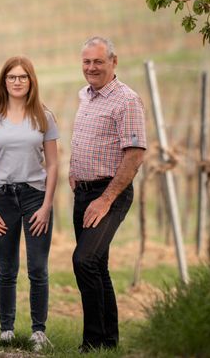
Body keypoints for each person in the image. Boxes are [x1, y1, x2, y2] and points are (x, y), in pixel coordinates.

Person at [69, 36, 146, 352]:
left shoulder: (126, 100)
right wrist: (75, 170)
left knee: (84, 260)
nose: (91, 67)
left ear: (114, 62)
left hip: (110, 193)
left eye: (98, 61)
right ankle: (108, 343)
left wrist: (105, 199)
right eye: (87, 61)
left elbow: (135, 154)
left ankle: (91, 342)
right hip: (83, 192)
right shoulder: (85, 95)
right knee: (97, 265)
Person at [0, 56, 59, 352]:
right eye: (11, 77)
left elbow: (53, 164)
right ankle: (7, 330)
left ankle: (38, 331)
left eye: (23, 77)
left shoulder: (44, 116)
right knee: (7, 269)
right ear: (4, 81)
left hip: (35, 196)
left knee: (37, 268)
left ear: (31, 81)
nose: (17, 82)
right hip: (1, 197)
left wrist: (46, 205)